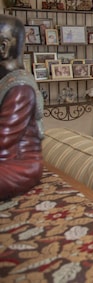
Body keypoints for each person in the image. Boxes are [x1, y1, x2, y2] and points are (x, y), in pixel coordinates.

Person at [0, 14, 44, 200]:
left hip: (19, 164)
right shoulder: (6, 81)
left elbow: (3, 146)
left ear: (3, 47)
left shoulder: (20, 88)